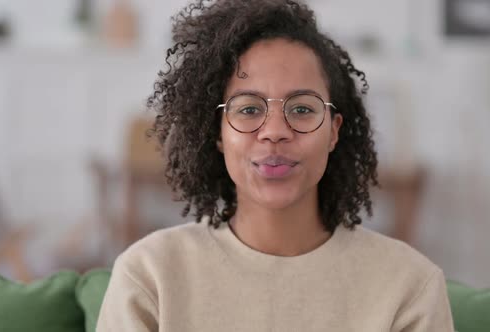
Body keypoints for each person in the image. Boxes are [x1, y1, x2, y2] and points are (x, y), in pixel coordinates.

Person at [96, 0, 454, 331]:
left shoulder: (410, 286)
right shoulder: (149, 276)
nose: (275, 133)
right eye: (249, 109)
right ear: (217, 133)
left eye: (301, 109)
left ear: (333, 132)